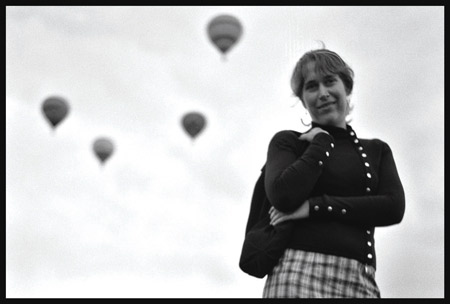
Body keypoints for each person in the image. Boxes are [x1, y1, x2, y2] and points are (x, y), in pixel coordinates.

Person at [262, 48, 405, 298]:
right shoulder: (289, 143)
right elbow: (282, 196)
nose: (323, 93)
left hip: (359, 278)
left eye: (330, 82)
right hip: (296, 273)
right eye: (312, 86)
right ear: (303, 98)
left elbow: (393, 207)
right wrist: (320, 143)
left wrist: (315, 206)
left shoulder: (377, 150)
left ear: (346, 87)